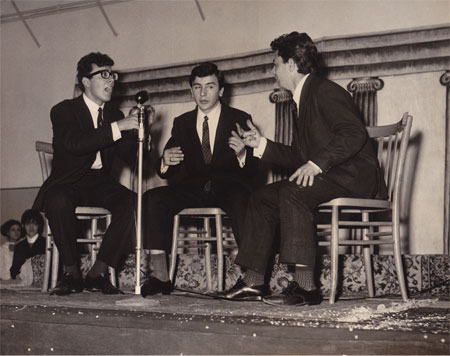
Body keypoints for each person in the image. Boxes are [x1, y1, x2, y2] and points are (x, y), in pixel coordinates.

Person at [221, 32, 387, 306]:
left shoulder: (325, 90)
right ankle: (253, 282)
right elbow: (299, 155)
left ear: (290, 65)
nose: (272, 71)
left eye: (275, 64)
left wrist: (316, 163)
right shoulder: (302, 99)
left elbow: (354, 133)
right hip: (331, 175)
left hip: (354, 177)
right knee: (262, 197)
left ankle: (306, 287)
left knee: (293, 192)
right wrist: (260, 144)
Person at [140, 62, 258, 297]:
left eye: (210, 87)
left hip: (229, 187)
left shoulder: (240, 118)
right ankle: (161, 277)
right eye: (198, 87)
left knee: (243, 198)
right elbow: (167, 168)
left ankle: (251, 278)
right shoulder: (182, 123)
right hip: (192, 188)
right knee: (152, 198)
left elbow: (254, 171)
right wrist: (165, 160)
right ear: (191, 91)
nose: (203, 93)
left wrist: (243, 154)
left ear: (221, 91)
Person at [32, 52, 139, 296]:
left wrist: (140, 135)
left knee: (134, 203)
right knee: (57, 200)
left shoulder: (114, 115)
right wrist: (118, 128)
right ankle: (71, 273)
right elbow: (75, 143)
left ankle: (97, 273)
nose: (110, 80)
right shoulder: (63, 111)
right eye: (103, 74)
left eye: (112, 74)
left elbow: (128, 155)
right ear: (86, 82)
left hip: (101, 182)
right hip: (68, 181)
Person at [9, 210, 46, 281]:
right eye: (28, 224)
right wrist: (17, 275)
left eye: (35, 224)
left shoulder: (46, 244)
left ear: (39, 225)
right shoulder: (19, 246)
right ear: (23, 226)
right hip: (24, 284)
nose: (31, 227)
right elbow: (13, 270)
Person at [0, 219, 33, 284]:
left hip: (23, 280)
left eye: (18, 230)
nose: (16, 232)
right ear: (7, 232)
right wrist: (10, 279)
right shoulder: (2, 249)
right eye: (13, 230)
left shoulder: (25, 248)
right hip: (5, 281)